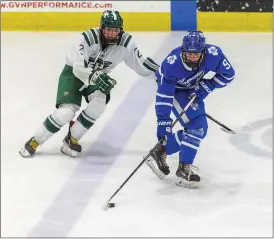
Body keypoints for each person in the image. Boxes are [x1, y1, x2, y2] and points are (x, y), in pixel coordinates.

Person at [19, 10, 159, 158]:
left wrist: (162, 75)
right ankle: (35, 141)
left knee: (99, 103)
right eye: (109, 29)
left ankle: (71, 139)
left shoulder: (126, 43)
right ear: (101, 27)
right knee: (66, 112)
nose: (112, 33)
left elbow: (141, 63)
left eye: (116, 30)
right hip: (73, 74)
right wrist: (95, 76)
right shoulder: (87, 38)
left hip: (97, 77)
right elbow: (79, 67)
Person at [146, 30, 235, 188]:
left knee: (200, 129)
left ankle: (162, 150)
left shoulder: (214, 54)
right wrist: (163, 122)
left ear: (203, 52)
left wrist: (208, 85)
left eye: (196, 54)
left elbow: (228, 75)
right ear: (182, 50)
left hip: (193, 90)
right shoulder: (172, 64)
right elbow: (164, 95)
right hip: (175, 91)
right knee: (197, 127)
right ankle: (183, 169)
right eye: (188, 54)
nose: (192, 57)